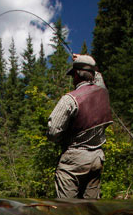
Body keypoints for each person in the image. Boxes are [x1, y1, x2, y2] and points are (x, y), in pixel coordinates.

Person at [47, 54, 112, 199]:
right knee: (91, 210)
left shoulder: (70, 99)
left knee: (68, 211)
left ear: (76, 75)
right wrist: (87, 59)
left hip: (73, 161)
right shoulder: (104, 93)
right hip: (97, 158)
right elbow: (98, 78)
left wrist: (62, 141)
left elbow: (52, 132)